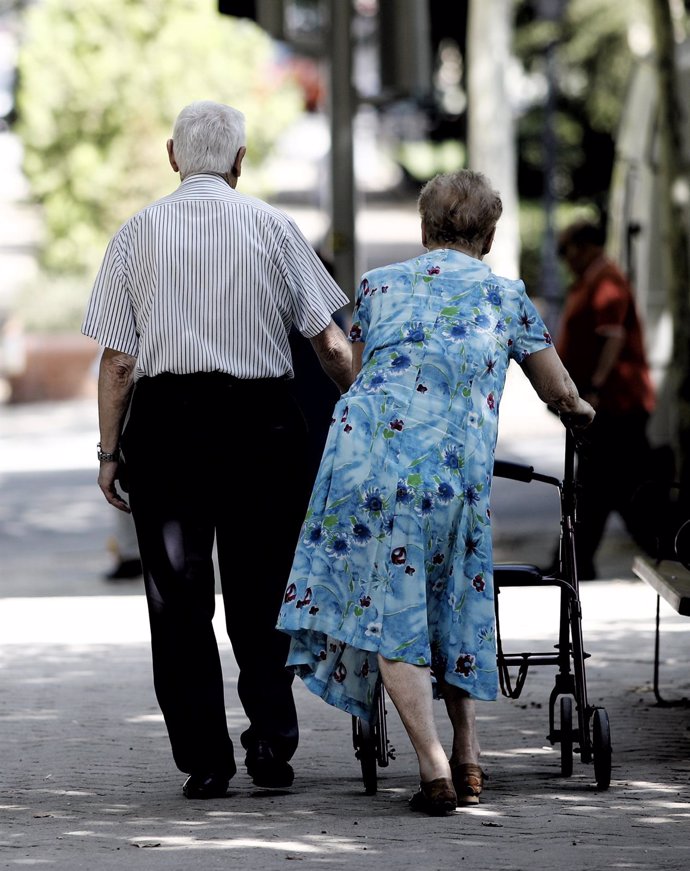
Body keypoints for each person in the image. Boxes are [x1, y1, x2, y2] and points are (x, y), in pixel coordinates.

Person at [277, 170, 595, 816]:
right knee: (457, 602)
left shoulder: (378, 286)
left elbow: (364, 371)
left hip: (368, 470)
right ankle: (460, 753)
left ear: (425, 231)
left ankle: (438, 763)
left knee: (394, 612)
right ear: (491, 232)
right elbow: (558, 391)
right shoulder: (507, 298)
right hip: (454, 480)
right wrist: (581, 411)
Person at [81, 100, 352, 800]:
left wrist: (110, 450)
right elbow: (329, 343)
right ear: (240, 159)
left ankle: (205, 759)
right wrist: (361, 407)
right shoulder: (273, 227)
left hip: (169, 429)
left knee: (178, 598)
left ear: (174, 156)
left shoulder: (136, 234)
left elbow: (117, 361)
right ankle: (270, 740)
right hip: (262, 425)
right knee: (262, 591)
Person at [555, 219, 656, 579]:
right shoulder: (592, 281)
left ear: (585, 247)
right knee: (605, 485)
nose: (563, 259)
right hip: (605, 406)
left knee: (615, 486)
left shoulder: (607, 282)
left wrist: (594, 385)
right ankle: (574, 560)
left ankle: (576, 560)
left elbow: (611, 337)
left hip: (616, 405)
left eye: (565, 250)